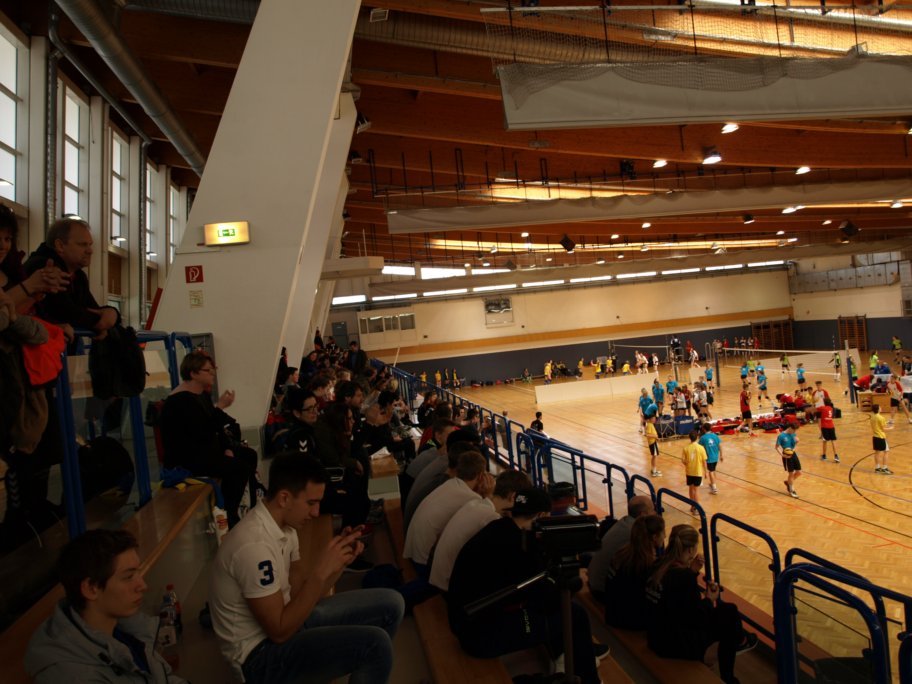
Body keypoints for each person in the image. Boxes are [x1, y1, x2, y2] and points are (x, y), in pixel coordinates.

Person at [209, 453, 404, 683]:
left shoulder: (286, 528)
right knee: (376, 646)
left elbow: (302, 595)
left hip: (288, 622)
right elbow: (279, 631)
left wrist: (339, 563)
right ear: (284, 498)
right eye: (311, 503)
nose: (316, 512)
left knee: (392, 603)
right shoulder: (253, 546)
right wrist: (321, 571)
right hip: (259, 658)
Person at [447, 488, 604, 684]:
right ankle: (589, 679)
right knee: (575, 615)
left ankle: (572, 653)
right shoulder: (517, 549)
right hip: (480, 636)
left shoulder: (498, 528)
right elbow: (545, 601)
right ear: (542, 516)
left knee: (560, 613)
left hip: (466, 622)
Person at [25, 529, 187, 683]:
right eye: (129, 577)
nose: (143, 586)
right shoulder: (74, 677)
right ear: (91, 589)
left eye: (138, 573)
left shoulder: (125, 630)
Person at [646, 525, 757, 684]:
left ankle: (739, 641)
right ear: (691, 550)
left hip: (656, 634)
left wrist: (692, 571)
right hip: (673, 643)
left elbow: (677, 602)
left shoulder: (658, 564)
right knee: (729, 613)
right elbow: (696, 618)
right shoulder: (683, 578)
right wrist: (709, 599)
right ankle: (730, 672)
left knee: (727, 612)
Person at [160, 350, 258, 527]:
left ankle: (248, 504)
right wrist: (220, 407)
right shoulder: (180, 401)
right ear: (193, 373)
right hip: (188, 459)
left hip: (204, 450)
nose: (212, 373)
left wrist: (227, 447)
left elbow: (216, 429)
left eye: (213, 370)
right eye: (208, 370)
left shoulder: (200, 395)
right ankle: (229, 514)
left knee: (249, 455)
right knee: (239, 468)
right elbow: (202, 432)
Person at [429, 469, 531, 592]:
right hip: (447, 585)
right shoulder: (491, 518)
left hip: (439, 574)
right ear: (513, 497)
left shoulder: (477, 503)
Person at [24, 216, 118, 341]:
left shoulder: (78, 276)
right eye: (82, 244)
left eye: (90, 245)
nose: (90, 251)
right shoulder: (44, 267)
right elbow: (63, 311)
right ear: (60, 245)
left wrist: (112, 312)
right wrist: (102, 322)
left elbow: (92, 309)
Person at [404, 450, 493, 578]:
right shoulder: (471, 499)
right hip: (423, 562)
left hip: (414, 550)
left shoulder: (451, 483)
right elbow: (487, 513)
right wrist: (488, 495)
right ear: (480, 476)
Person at [587, 495, 657, 600]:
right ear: (643, 514)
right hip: (602, 590)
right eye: (652, 510)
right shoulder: (635, 533)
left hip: (595, 581)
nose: (655, 513)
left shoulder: (624, 522)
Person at [603, 514, 666, 630]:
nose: (665, 536)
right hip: (628, 621)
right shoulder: (646, 564)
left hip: (612, 613)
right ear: (654, 537)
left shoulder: (623, 553)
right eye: (663, 532)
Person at [681, 430, 707, 515]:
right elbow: (704, 461)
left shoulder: (686, 448)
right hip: (698, 472)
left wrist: (687, 463)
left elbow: (683, 461)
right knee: (696, 490)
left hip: (689, 472)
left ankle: (692, 506)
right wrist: (705, 472)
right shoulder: (701, 448)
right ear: (697, 437)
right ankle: (697, 508)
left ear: (690, 438)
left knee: (691, 489)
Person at [776, 423, 801, 498]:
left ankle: (788, 482)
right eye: (794, 430)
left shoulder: (793, 434)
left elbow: (794, 445)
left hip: (793, 453)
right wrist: (782, 455)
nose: (795, 432)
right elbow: (776, 447)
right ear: (790, 428)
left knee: (799, 472)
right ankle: (791, 490)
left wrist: (796, 442)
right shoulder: (781, 436)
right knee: (791, 473)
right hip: (786, 456)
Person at [698, 423, 722, 495]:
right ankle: (713, 483)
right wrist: (721, 455)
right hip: (716, 457)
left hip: (709, 458)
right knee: (713, 470)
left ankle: (714, 489)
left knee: (711, 471)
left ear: (704, 429)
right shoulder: (715, 435)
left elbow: (699, 447)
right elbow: (719, 445)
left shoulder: (703, 438)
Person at [870, 404, 893, 475]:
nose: (881, 408)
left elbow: (879, 425)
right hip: (881, 437)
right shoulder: (881, 418)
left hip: (875, 436)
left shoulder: (872, 417)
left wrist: (886, 423)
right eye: (880, 407)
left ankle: (877, 468)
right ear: (878, 409)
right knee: (886, 451)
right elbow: (883, 429)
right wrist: (890, 428)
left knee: (877, 452)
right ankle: (884, 468)